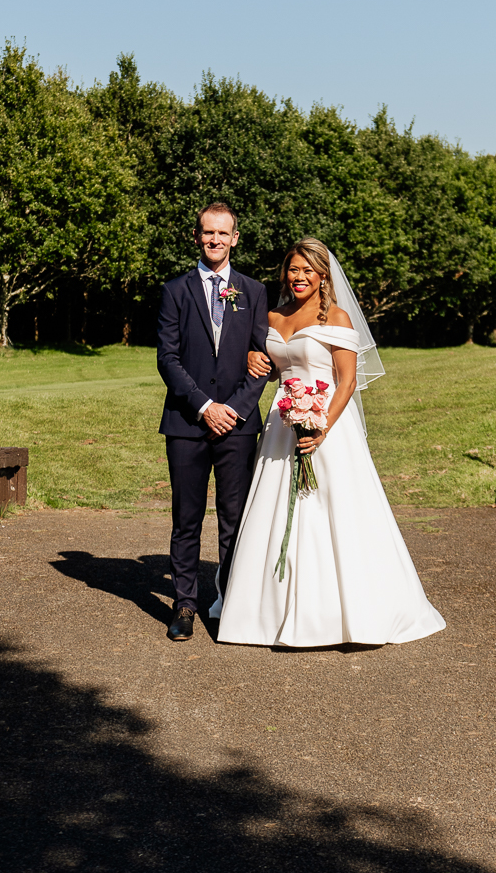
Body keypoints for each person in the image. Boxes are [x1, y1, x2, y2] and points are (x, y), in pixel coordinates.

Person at [210, 237, 447, 648]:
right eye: (293, 269)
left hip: (329, 428)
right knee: (272, 510)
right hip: (281, 428)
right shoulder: (272, 316)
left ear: (323, 276)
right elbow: (267, 367)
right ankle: (264, 612)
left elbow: (348, 381)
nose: (299, 277)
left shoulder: (337, 318)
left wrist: (322, 427)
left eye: (308, 271)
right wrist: (254, 360)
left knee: (332, 513)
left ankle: (344, 613)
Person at [154, 202, 275, 641]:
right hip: (187, 422)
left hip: (239, 426)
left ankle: (231, 603)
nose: (215, 240)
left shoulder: (254, 291)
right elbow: (167, 358)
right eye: (208, 233)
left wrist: (236, 409)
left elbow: (263, 362)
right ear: (196, 235)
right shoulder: (175, 290)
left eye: (223, 234)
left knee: (234, 517)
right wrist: (207, 406)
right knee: (186, 518)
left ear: (235, 238)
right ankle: (185, 605)